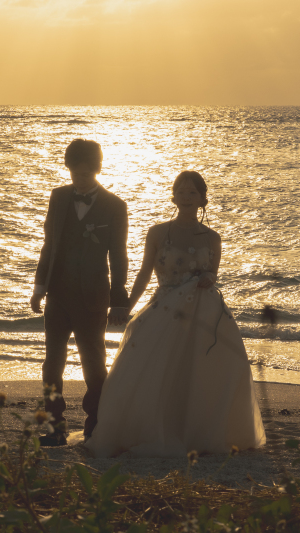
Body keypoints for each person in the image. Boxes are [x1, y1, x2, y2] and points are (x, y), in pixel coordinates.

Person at [83, 171, 266, 457]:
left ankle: (197, 433)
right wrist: (126, 307)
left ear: (202, 199)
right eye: (181, 191)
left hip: (204, 314)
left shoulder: (213, 237)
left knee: (202, 373)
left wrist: (209, 278)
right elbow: (144, 273)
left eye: (192, 192)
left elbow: (213, 273)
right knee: (153, 371)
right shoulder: (158, 232)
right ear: (173, 196)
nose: (186, 196)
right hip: (164, 309)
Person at [30, 139, 130, 446]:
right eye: (75, 172)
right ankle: (53, 426)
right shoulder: (58, 197)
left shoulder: (115, 206)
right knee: (52, 364)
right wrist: (39, 287)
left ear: (97, 169)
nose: (80, 177)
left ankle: (95, 425)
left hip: (94, 298)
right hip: (58, 295)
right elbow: (49, 244)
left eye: (86, 172)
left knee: (94, 365)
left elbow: (119, 256)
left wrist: (118, 301)